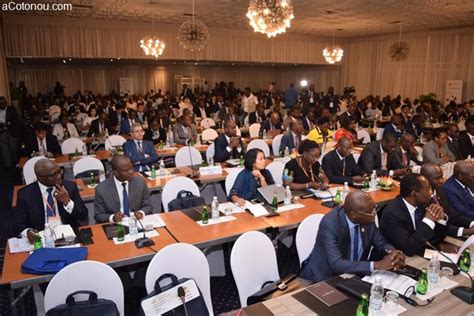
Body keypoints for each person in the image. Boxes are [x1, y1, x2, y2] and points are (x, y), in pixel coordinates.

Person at [299, 190, 405, 282]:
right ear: (354, 214)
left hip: (353, 275)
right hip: (323, 277)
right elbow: (337, 264)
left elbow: (381, 243)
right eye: (369, 212)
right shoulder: (330, 223)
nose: (374, 214)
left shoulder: (367, 219)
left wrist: (393, 254)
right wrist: (377, 265)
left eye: (374, 208)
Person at [14, 159, 88, 242]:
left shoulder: (69, 187)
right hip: (41, 238)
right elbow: (19, 223)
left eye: (59, 171)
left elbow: (83, 216)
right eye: (53, 174)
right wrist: (28, 232)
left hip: (68, 236)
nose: (59, 176)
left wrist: (67, 202)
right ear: (40, 178)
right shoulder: (25, 194)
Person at [379, 174, 449, 256]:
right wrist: (428, 221)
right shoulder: (392, 214)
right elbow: (409, 249)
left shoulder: (423, 204)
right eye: (427, 189)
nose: (431, 192)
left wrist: (441, 219)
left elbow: (438, 237)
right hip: (402, 257)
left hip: (426, 251)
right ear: (414, 193)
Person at [94, 155, 153, 223]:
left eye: (131, 168)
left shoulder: (140, 183)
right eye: (126, 170)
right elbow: (98, 215)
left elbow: (148, 206)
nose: (131, 172)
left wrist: (141, 212)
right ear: (115, 173)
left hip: (137, 222)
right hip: (115, 226)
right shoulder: (101, 189)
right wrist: (113, 218)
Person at [421, 163, 474, 235]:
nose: (441, 181)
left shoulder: (440, 191)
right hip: (435, 236)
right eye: (437, 178)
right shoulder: (422, 199)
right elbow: (437, 226)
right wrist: (465, 231)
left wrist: (471, 223)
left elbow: (453, 215)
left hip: (450, 230)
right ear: (425, 179)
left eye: (441, 177)